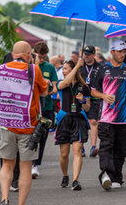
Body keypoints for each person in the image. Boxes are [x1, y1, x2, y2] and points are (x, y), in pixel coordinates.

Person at [0, 41, 48, 205]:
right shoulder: (33, 69)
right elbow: (44, 91)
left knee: (7, 164)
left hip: (7, 123)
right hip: (28, 126)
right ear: (28, 55)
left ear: (13, 53)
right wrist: (34, 65)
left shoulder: (0, 69)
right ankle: (20, 203)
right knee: (25, 167)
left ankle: (4, 198)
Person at [91, 40, 126, 190]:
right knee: (106, 146)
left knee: (121, 149)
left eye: (124, 52)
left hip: (124, 118)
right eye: (119, 51)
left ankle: (116, 177)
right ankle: (105, 174)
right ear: (112, 52)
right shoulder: (102, 69)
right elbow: (92, 91)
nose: (122, 54)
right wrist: (104, 96)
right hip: (106, 118)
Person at [55, 59, 91, 191]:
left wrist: (82, 101)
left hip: (78, 119)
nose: (63, 71)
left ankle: (75, 180)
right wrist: (77, 66)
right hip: (64, 118)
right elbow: (66, 82)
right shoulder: (61, 83)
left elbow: (87, 108)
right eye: (63, 69)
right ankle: (65, 175)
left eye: (65, 69)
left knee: (77, 150)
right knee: (64, 154)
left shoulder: (84, 87)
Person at [32, 41, 58, 179]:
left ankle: (36, 164)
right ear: (34, 54)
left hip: (46, 106)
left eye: (44, 57)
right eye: (39, 56)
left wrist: (47, 90)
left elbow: (55, 88)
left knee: (42, 136)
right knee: (30, 136)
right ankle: (28, 162)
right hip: (33, 107)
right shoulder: (29, 67)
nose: (42, 59)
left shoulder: (50, 67)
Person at [80, 45, 103, 157]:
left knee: (93, 121)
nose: (86, 56)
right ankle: (81, 147)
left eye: (89, 54)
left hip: (95, 98)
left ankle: (93, 146)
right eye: (85, 54)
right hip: (81, 98)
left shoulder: (100, 67)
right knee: (82, 122)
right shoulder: (80, 66)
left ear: (94, 54)